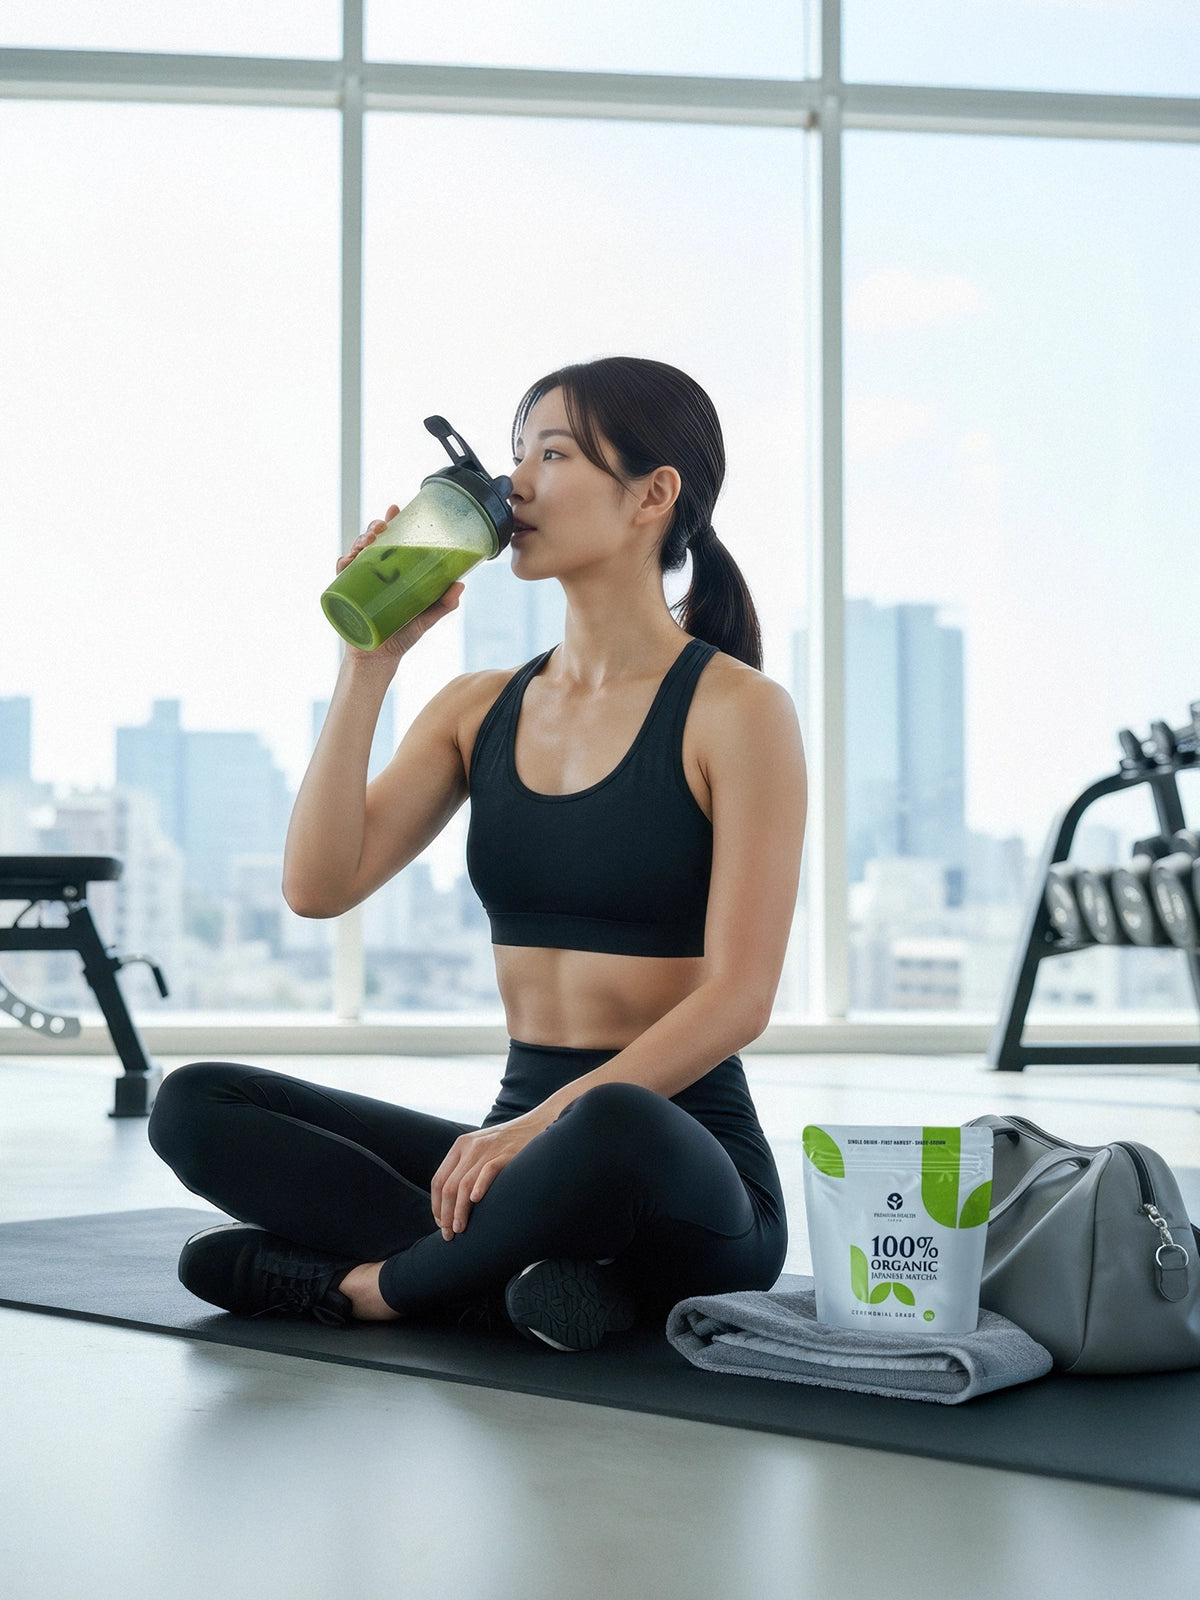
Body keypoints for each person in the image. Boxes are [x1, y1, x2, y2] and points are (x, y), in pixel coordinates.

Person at [148, 355, 807, 1351]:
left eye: (554, 454)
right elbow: (318, 886)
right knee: (196, 1103)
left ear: (654, 495)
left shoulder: (739, 712)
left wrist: (534, 1131)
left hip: (676, 1165)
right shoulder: (478, 708)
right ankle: (520, 1281)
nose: (517, 487)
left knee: (612, 1120)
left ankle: (382, 1288)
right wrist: (368, 665)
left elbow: (739, 999)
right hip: (508, 1156)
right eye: (514, 458)